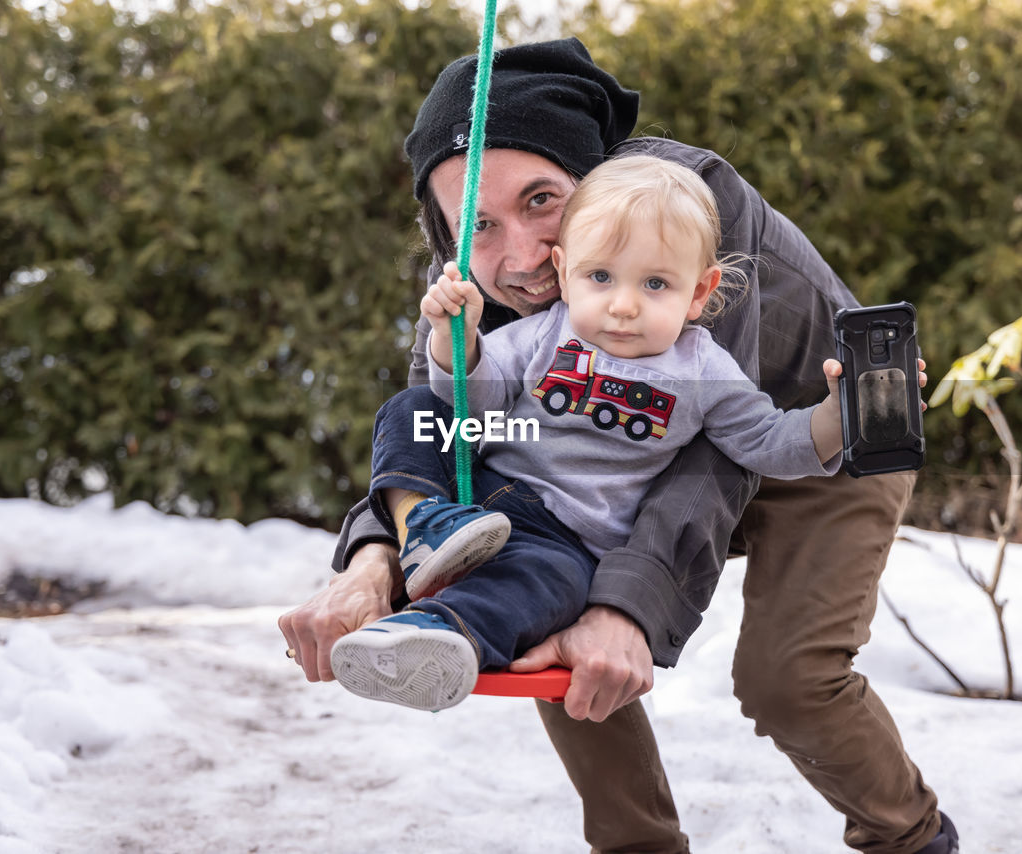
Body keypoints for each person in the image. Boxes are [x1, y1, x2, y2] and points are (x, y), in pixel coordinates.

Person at [279, 38, 960, 854]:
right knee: (540, 599)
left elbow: (718, 454)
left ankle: (909, 838)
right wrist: (371, 559)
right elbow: (445, 427)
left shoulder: (694, 208)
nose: (522, 258)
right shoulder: (472, 283)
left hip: (805, 442)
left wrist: (624, 608)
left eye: (542, 201)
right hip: (619, 463)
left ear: (592, 177)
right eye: (478, 224)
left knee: (786, 681)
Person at [328, 154, 873, 713]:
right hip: (479, 497)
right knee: (413, 409)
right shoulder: (544, 333)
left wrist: (839, 415)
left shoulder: (702, 370)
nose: (623, 305)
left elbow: (767, 442)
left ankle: (429, 635)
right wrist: (456, 338)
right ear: (565, 272)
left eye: (656, 283)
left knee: (546, 588)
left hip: (565, 538)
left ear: (699, 292)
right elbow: (473, 399)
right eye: (600, 277)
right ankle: (422, 521)